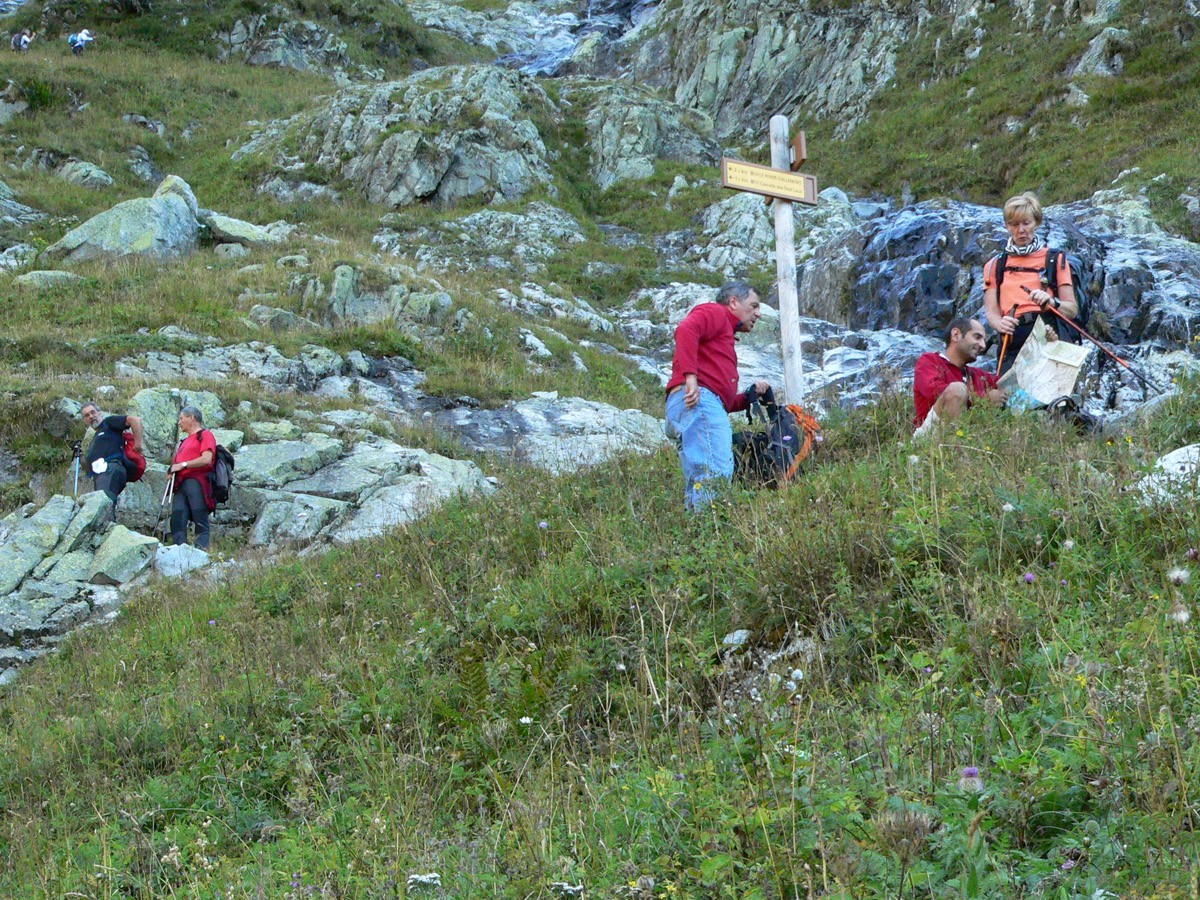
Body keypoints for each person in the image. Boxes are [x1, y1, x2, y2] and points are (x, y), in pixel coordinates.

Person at [665, 281, 772, 509]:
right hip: (699, 401)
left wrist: (748, 397)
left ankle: (698, 527)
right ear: (733, 302)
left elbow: (722, 402)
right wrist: (690, 377)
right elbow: (685, 329)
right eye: (753, 306)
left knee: (700, 478)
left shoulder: (723, 334)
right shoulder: (715, 312)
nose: (758, 314)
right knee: (716, 473)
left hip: (692, 404)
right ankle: (712, 527)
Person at [983, 192, 1078, 376]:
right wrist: (1000, 324)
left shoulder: (1055, 259)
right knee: (1008, 393)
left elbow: (1072, 309)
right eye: (1014, 224)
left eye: (1026, 223)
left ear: (1037, 223)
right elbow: (991, 312)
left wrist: (1051, 302)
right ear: (1006, 226)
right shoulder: (994, 265)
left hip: (1048, 332)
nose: (1021, 230)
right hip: (1011, 336)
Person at [913, 317, 1006, 438]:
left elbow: (1006, 384)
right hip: (928, 439)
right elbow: (935, 392)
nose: (983, 345)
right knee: (957, 390)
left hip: (968, 440)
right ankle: (955, 446)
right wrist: (984, 399)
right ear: (956, 335)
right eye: (977, 337)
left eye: (984, 340)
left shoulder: (978, 375)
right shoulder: (929, 361)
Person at [80, 403, 144, 512]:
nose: (91, 416)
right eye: (87, 415)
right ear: (85, 420)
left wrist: (138, 444)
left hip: (111, 468)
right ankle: (108, 522)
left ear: (99, 413)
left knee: (102, 502)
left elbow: (135, 420)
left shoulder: (108, 423)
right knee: (105, 503)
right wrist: (80, 456)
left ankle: (108, 522)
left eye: (93, 412)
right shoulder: (95, 439)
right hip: (102, 474)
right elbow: (89, 469)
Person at [168, 406, 216, 550]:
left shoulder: (205, 435)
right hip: (180, 484)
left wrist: (183, 465)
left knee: (199, 515)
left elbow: (207, 459)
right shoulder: (184, 441)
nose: (179, 422)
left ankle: (201, 550)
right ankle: (179, 551)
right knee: (177, 519)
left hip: (196, 482)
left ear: (191, 418)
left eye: (181, 418)